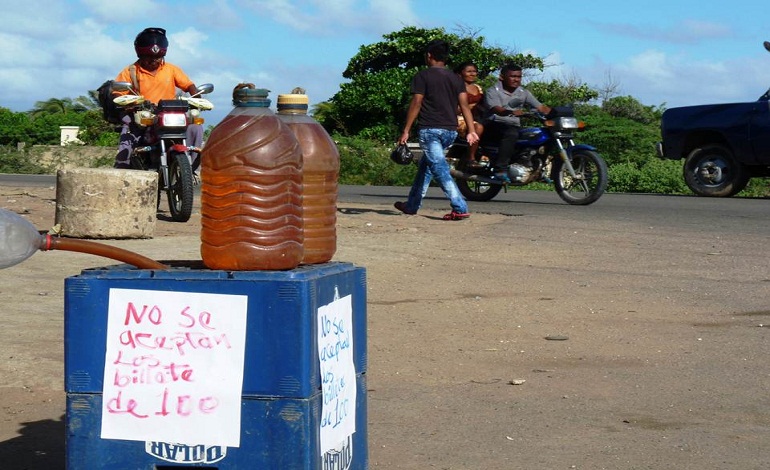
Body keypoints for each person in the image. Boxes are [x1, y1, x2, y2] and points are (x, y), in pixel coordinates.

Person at [394, 39, 479, 221]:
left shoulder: (422, 76)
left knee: (439, 168)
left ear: (429, 56)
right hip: (450, 131)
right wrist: (471, 130)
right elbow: (464, 105)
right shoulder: (456, 79)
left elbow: (416, 103)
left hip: (430, 130)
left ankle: (460, 206)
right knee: (426, 167)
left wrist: (406, 130)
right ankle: (411, 205)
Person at [113, 27, 203, 172]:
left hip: (169, 114)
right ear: (140, 55)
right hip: (143, 115)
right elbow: (117, 92)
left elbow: (189, 85)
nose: (153, 61)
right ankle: (122, 170)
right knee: (128, 134)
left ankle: (190, 169)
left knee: (195, 127)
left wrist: (196, 96)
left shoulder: (171, 69)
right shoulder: (130, 71)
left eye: (157, 58)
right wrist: (126, 101)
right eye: (148, 58)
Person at [483, 63, 551, 182]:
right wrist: (510, 112)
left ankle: (537, 169)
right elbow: (495, 109)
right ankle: (500, 169)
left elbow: (540, 107)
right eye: (513, 76)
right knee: (511, 133)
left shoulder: (523, 92)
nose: (516, 79)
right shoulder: (493, 91)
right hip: (494, 124)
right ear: (502, 77)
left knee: (538, 135)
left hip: (513, 126)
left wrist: (556, 113)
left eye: (519, 77)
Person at [454, 62, 485, 164]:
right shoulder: (456, 87)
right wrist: (468, 107)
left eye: (474, 71)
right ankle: (471, 157)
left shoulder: (478, 87)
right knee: (478, 127)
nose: (472, 74)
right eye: (469, 71)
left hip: (477, 116)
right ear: (460, 73)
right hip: (460, 118)